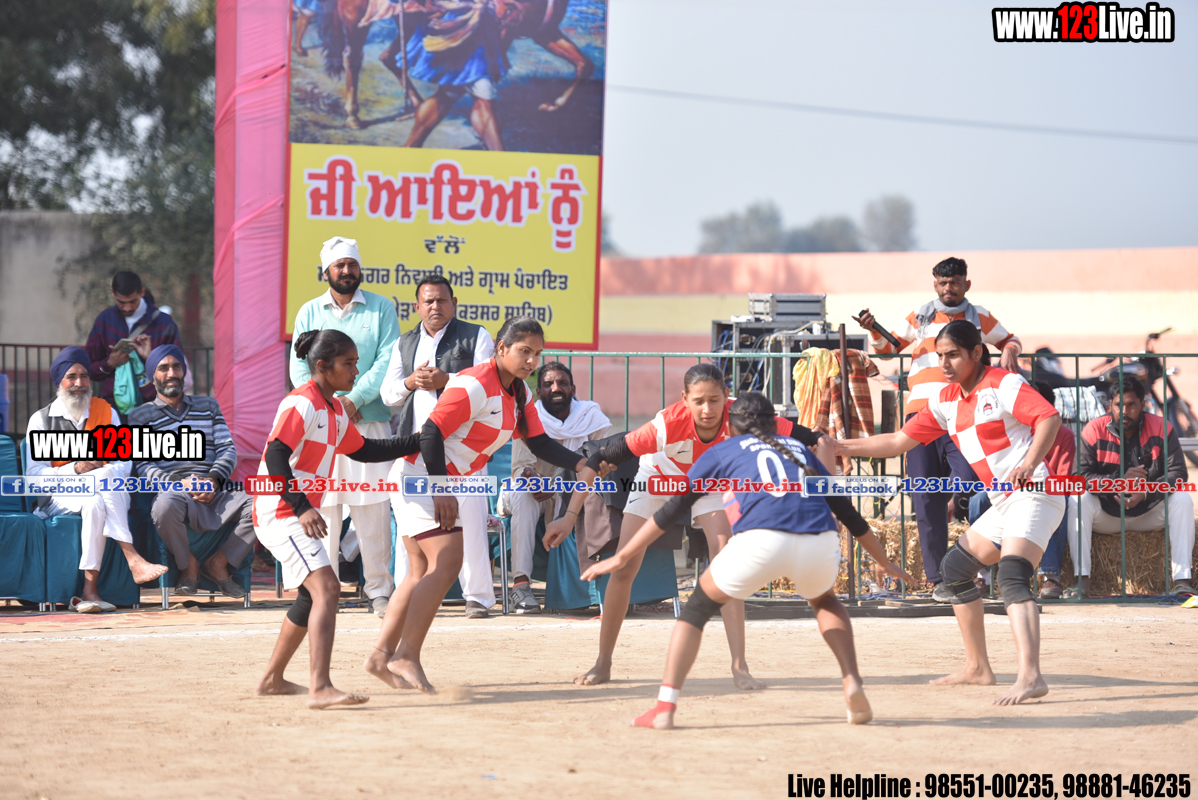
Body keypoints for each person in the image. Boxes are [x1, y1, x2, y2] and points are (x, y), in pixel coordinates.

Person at [581, 393, 914, 729]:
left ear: (731, 425)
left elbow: (672, 510)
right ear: (776, 424)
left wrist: (623, 554)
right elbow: (848, 513)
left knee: (695, 610)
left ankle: (665, 708)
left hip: (761, 541)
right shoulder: (798, 450)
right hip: (818, 538)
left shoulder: (723, 449)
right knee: (826, 601)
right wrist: (884, 561)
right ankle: (852, 680)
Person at [544, 363, 838, 690]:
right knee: (624, 568)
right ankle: (603, 663)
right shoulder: (666, 426)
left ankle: (740, 667)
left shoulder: (743, 417)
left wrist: (829, 495)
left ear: (727, 396)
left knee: (726, 563)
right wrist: (569, 516)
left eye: (714, 400)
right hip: (658, 479)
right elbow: (596, 459)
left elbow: (818, 440)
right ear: (685, 399)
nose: (707, 410)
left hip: (710, 483)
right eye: (698, 401)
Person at [837, 320, 1064, 705]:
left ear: (976, 352)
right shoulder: (944, 399)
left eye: (953, 355)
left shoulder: (1004, 383)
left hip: (1034, 493)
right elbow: (897, 441)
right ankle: (978, 668)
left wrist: (1029, 462)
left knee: (1012, 576)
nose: (944, 363)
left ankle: (1031, 676)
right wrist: (839, 445)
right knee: (956, 569)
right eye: (939, 355)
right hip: (1005, 500)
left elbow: (1049, 418)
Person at [365, 316, 594, 694]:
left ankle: (379, 657)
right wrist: (440, 489)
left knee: (419, 571)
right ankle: (405, 656)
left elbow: (539, 443)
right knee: (447, 562)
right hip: (421, 478)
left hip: (436, 480)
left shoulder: (519, 393)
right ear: (501, 348)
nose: (532, 361)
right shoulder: (474, 383)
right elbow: (431, 433)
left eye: (537, 353)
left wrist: (581, 463)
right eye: (524, 351)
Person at [254, 330, 421, 709]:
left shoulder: (333, 409)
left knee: (310, 595)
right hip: (280, 511)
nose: (356, 371)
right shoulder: (301, 403)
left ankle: (272, 680)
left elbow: (365, 450)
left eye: (357, 363)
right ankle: (320, 688)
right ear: (322, 366)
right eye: (349, 363)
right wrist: (301, 506)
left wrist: (419, 440)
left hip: (292, 511)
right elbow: (276, 454)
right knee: (328, 589)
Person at [856, 257, 1022, 601]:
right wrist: (873, 330)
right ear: (935, 284)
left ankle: (970, 565)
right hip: (920, 414)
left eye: (955, 282)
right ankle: (938, 580)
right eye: (943, 283)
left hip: (961, 411)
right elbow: (888, 349)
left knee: (969, 482)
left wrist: (1009, 350)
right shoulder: (919, 316)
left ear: (966, 284)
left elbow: (1011, 339)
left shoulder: (979, 316)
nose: (949, 288)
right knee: (924, 495)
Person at [291, 237, 401, 617]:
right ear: (326, 271)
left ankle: (379, 591)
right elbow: (298, 367)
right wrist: (329, 405)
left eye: (352, 264)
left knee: (373, 510)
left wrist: (353, 401)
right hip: (321, 427)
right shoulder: (309, 311)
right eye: (339, 265)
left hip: (367, 422)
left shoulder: (381, 308)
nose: (347, 271)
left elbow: (387, 360)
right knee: (325, 509)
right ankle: (325, 590)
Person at [381, 274, 495, 618]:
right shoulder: (404, 343)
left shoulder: (476, 335)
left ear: (454, 303)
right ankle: (408, 594)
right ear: (417, 307)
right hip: (415, 450)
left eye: (442, 300)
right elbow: (388, 394)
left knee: (471, 520)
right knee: (412, 526)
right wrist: (409, 382)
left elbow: (488, 382)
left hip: (463, 449)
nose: (435, 306)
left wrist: (448, 380)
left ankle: (478, 597)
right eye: (428, 301)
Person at [24, 347, 168, 611]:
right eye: (71, 377)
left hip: (101, 492)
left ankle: (89, 591)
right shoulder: (41, 420)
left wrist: (103, 471)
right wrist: (75, 469)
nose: (79, 383)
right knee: (103, 477)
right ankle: (132, 557)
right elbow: (34, 478)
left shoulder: (106, 412)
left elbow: (124, 463)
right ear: (59, 382)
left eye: (84, 376)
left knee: (95, 501)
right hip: (59, 497)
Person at [128, 345, 257, 599]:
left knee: (262, 506)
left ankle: (218, 563)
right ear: (152, 377)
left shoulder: (208, 406)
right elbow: (144, 466)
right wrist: (181, 483)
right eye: (163, 368)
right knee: (163, 507)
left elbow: (227, 449)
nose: (171, 373)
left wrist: (213, 480)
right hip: (175, 491)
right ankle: (189, 566)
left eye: (176, 367)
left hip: (216, 489)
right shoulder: (140, 416)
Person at [1067, 376, 1194, 598]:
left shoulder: (1162, 427)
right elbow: (1080, 477)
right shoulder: (1094, 429)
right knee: (1078, 498)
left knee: (1182, 499)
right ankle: (1082, 580)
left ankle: (1182, 581)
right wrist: (1118, 482)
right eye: (1119, 405)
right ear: (1111, 405)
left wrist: (1144, 492)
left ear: (1143, 404)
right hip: (1107, 515)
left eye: (1131, 405)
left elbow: (1178, 474)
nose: (1124, 411)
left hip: (1149, 512)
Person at [498, 361, 610, 613]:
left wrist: (560, 486)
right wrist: (532, 478)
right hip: (537, 493)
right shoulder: (528, 418)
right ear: (539, 392)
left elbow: (600, 468)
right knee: (522, 495)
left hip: (578, 492)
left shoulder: (592, 418)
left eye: (562, 383)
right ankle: (521, 586)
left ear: (573, 389)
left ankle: (583, 590)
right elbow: (520, 468)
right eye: (548, 384)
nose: (556, 388)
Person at [968, 381, 1076, 600]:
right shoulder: (1012, 429)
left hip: (1043, 490)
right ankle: (982, 576)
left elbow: (1062, 479)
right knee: (977, 500)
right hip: (1006, 490)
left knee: (1059, 498)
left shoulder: (1064, 434)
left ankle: (1051, 576)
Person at [85, 271, 182, 410]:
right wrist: (109, 364)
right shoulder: (104, 320)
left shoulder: (165, 324)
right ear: (112, 293)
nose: (127, 308)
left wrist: (151, 358)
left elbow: (178, 369)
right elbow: (88, 368)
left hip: (154, 406)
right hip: (113, 407)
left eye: (132, 301)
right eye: (121, 302)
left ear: (142, 292)